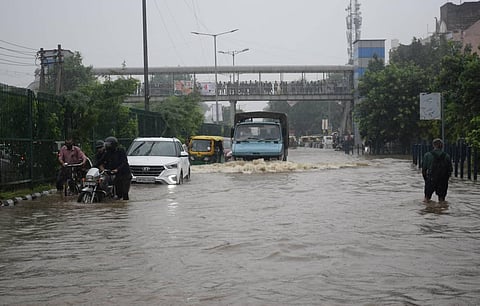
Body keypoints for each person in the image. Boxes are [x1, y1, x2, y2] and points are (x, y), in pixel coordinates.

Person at [97, 136, 132, 200]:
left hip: (125, 174)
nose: (107, 146)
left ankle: (124, 206)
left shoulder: (121, 151)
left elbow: (124, 162)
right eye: (106, 144)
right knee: (118, 193)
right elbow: (100, 161)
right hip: (116, 175)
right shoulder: (108, 153)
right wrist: (97, 168)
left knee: (124, 193)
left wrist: (117, 169)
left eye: (108, 144)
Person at [422, 138, 453, 202]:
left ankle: (428, 210)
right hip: (442, 180)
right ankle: (441, 210)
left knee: (427, 199)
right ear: (442, 145)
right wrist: (446, 179)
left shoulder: (427, 155)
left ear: (433, 145)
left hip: (431, 179)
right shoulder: (447, 156)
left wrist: (426, 180)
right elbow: (450, 170)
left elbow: (424, 170)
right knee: (442, 200)